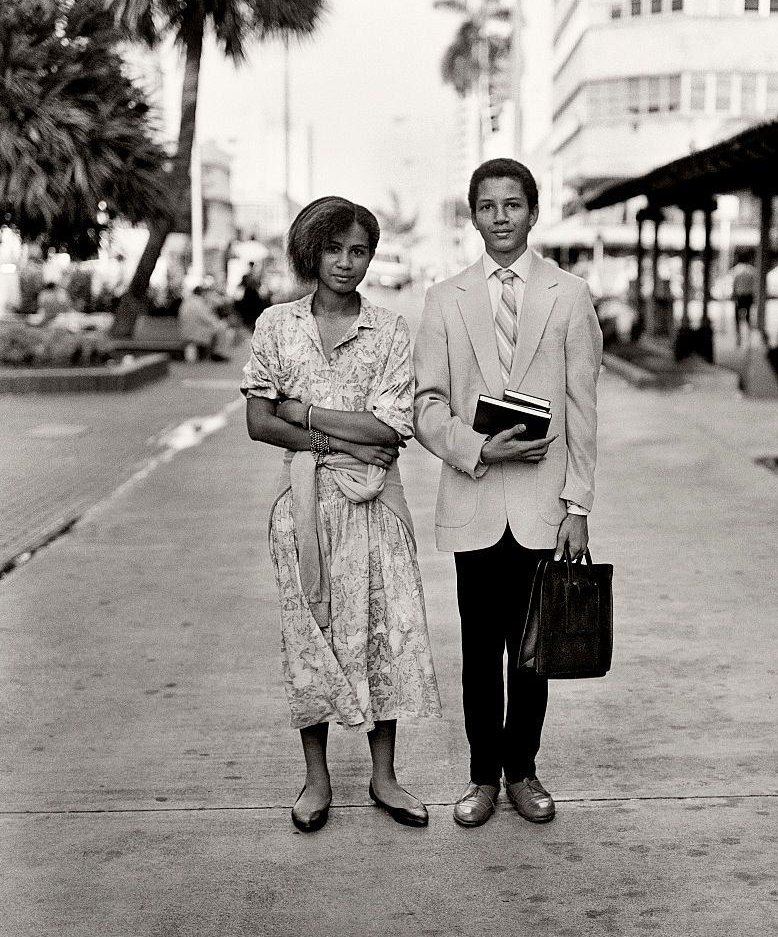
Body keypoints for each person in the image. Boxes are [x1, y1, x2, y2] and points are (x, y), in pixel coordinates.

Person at [241, 196, 441, 833]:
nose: (347, 264)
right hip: (301, 510)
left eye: (359, 251)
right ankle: (316, 778)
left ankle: (384, 776)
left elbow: (388, 431)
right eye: (334, 250)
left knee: (384, 632)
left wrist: (302, 412)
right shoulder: (276, 325)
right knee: (311, 637)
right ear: (310, 252)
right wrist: (339, 439)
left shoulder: (389, 330)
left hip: (378, 507)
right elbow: (256, 422)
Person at [413, 158, 602, 828]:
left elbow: (583, 408)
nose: (501, 217)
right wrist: (474, 447)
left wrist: (577, 505)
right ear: (473, 215)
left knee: (532, 654)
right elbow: (426, 404)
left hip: (542, 510)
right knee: (476, 654)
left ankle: (523, 771)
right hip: (474, 499)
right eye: (488, 206)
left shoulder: (569, 295)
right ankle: (481, 778)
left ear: (533, 211)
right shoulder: (445, 299)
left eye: (513, 204)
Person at [178, 285, 230, 361]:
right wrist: (217, 322)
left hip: (187, 330)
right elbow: (207, 318)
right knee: (222, 327)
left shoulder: (187, 301)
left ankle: (215, 353)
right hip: (196, 332)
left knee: (218, 328)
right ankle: (218, 353)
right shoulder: (198, 303)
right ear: (201, 293)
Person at [731, 262, 757, 346]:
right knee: (748, 315)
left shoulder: (737, 271)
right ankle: (748, 333)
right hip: (748, 296)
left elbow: (734, 285)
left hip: (740, 296)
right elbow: (754, 285)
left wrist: (734, 295)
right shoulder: (751, 271)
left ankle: (738, 334)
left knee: (737, 316)